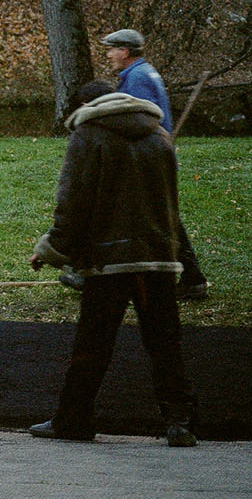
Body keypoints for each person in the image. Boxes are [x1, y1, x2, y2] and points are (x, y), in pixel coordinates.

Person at [29, 78, 198, 447]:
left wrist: (51, 249)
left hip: (110, 262)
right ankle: (180, 422)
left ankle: (73, 421)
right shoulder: (159, 136)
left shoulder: (88, 137)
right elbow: (171, 207)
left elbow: (73, 201)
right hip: (158, 258)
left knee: (93, 344)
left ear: (85, 107)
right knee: (165, 343)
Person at [101, 28, 209, 300]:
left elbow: (138, 122)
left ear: (125, 52)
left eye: (112, 49)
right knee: (159, 216)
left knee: (158, 217)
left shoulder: (136, 78)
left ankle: (192, 277)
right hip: (155, 156)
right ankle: (188, 277)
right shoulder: (143, 72)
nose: (109, 55)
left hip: (146, 160)